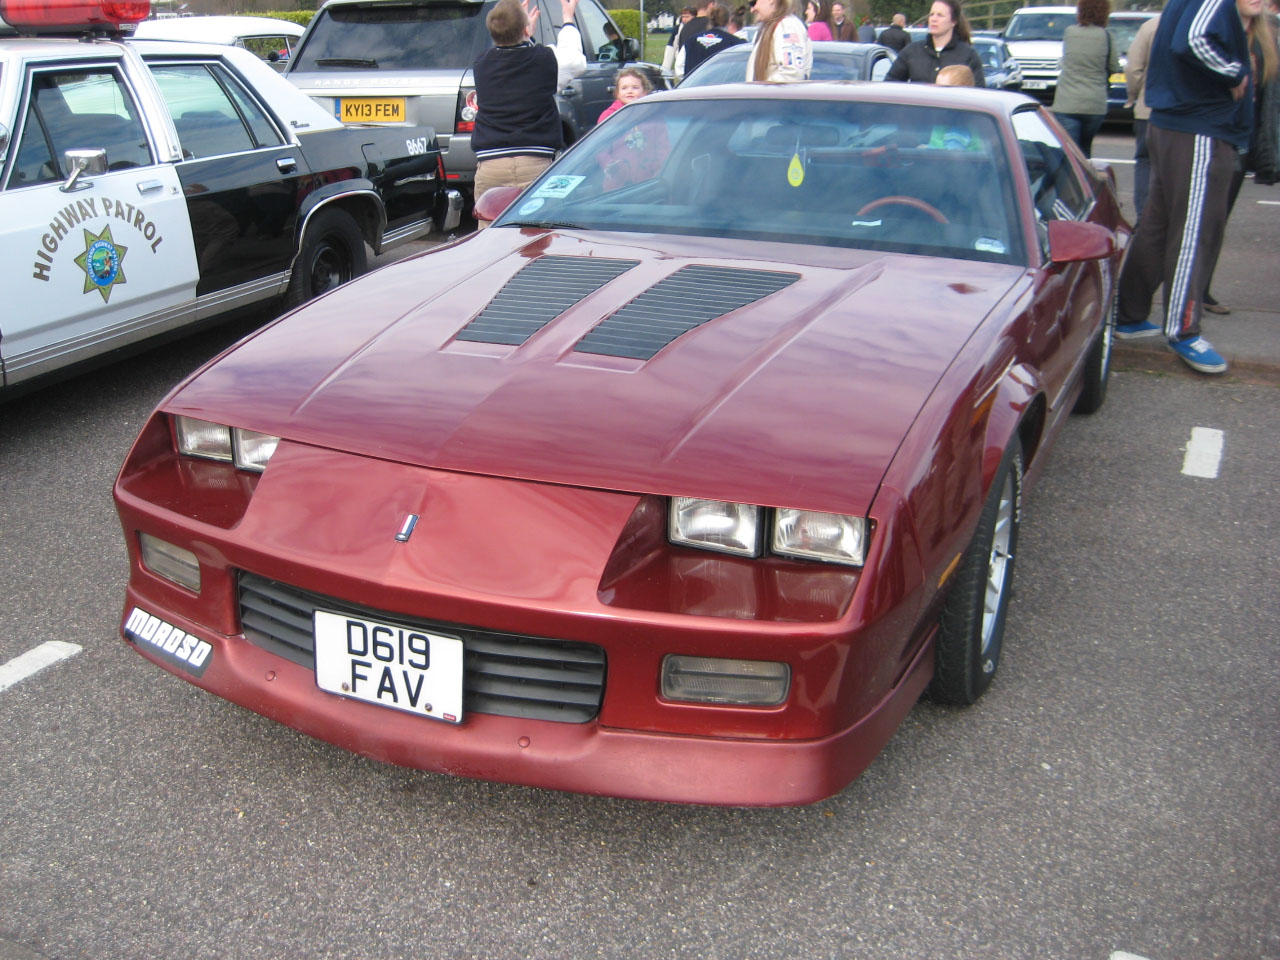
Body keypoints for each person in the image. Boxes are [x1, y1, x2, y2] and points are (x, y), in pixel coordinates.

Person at [1113, 0, 1256, 374]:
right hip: (1199, 128)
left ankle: (1128, 314)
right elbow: (1192, 40)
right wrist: (1235, 72)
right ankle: (1183, 329)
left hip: (1173, 123)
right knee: (1195, 230)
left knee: (1158, 228)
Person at [471, 0, 586, 217]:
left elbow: (514, 55)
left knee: (489, 237)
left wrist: (522, 32)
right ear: (526, 28)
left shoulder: (481, 64)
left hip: (491, 164)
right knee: (535, 235)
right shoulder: (545, 59)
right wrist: (568, 20)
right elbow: (576, 60)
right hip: (534, 161)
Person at [1201, 0, 1278, 311]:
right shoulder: (1215, 29)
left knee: (1217, 219)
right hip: (1210, 136)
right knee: (1191, 219)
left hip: (1243, 140)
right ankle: (1179, 293)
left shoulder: (1266, 37)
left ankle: (1200, 289)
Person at [1050, 0, 1120, 158]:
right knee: (1085, 152)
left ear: (1080, 11)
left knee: (1069, 155)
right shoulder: (1107, 36)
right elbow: (1114, 67)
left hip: (1066, 102)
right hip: (1094, 104)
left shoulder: (1070, 32)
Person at [595, 69, 669, 189]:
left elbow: (663, 146)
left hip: (649, 180)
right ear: (617, 93)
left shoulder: (655, 116)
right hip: (617, 180)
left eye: (635, 87)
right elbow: (600, 147)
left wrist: (658, 169)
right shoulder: (609, 116)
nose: (629, 91)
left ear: (644, 91)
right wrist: (609, 165)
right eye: (624, 88)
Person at [884, 0, 984, 84]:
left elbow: (979, 95)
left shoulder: (968, 55)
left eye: (940, 15)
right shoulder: (911, 51)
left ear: (953, 21)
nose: (933, 19)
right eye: (931, 14)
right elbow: (890, 86)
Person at [1124, 13, 1160, 219]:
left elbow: (1134, 68)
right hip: (1179, 113)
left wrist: (1133, 95)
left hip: (1147, 108)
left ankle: (1143, 215)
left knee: (1145, 161)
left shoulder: (1150, 27)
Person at [746, 0, 812, 80]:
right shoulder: (770, 28)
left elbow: (792, 74)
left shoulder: (787, 26)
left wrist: (762, 89)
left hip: (775, 92)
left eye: (753, 3)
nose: (752, 10)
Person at [681, 3, 748, 74]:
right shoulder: (736, 43)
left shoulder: (691, 41)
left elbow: (679, 65)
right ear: (729, 20)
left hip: (694, 84)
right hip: (721, 84)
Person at [662, 7, 696, 73]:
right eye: (683, 17)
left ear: (694, 17)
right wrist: (665, 69)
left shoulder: (698, 28)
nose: (684, 19)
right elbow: (670, 47)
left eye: (687, 17)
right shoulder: (677, 29)